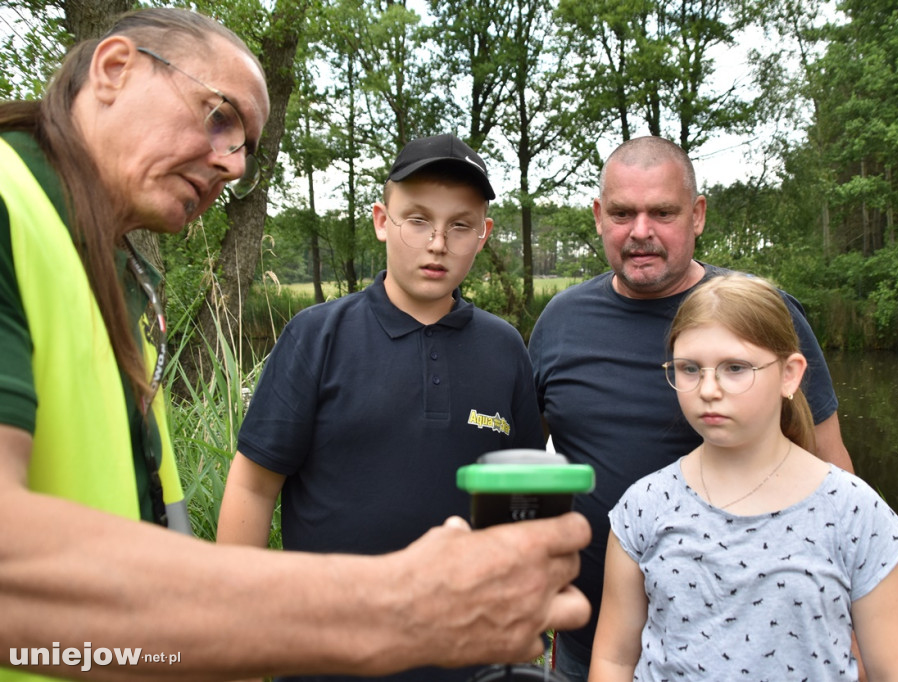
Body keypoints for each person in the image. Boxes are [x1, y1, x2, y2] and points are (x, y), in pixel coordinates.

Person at [0, 10, 589, 682]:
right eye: (218, 116)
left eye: (245, 143)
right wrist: (382, 613)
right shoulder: (8, 206)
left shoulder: (117, 273)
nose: (232, 162)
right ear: (113, 69)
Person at [216, 133, 546, 682]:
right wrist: (239, 638)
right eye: (417, 219)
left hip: (469, 658)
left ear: (483, 235)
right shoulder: (317, 336)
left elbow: (522, 504)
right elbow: (253, 485)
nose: (437, 242)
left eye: (460, 225)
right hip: (328, 655)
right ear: (381, 220)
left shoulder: (505, 348)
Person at [528, 135, 855, 680]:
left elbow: (830, 466)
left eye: (662, 212)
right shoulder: (560, 323)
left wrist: (848, 624)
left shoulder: (759, 316)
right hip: (588, 645)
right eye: (622, 212)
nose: (640, 232)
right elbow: (526, 467)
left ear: (697, 214)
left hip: (740, 645)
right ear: (598, 216)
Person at [589, 273, 898, 681]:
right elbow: (615, 661)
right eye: (690, 368)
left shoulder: (856, 513)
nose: (708, 389)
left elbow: (896, 672)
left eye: (735, 368)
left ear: (790, 374)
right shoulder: (643, 506)